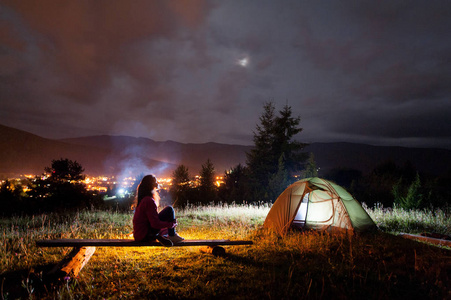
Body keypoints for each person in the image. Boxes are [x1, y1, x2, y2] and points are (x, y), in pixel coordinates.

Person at [133, 174, 184, 245]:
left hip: (140, 235)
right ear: (150, 185)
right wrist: (170, 224)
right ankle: (172, 235)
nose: (157, 183)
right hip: (145, 236)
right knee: (169, 209)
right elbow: (155, 224)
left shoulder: (143, 200)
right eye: (155, 182)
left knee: (168, 211)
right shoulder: (148, 200)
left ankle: (165, 235)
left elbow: (151, 221)